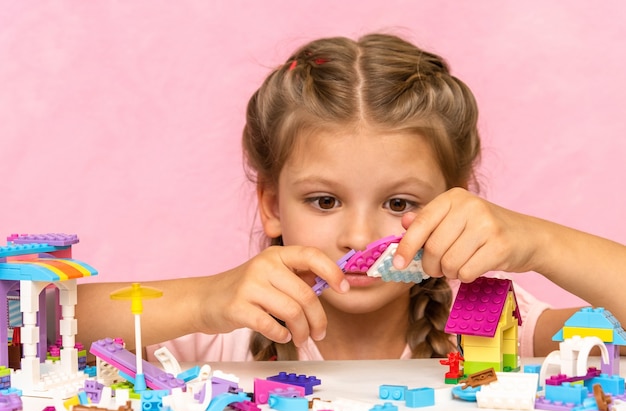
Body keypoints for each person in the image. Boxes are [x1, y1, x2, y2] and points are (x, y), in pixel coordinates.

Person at [76, 32, 626, 363]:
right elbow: (21, 332)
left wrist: (543, 243)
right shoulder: (223, 334)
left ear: (456, 203)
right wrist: (201, 302)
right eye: (324, 201)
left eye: (399, 203)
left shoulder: (488, 318)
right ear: (271, 204)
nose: (360, 237)